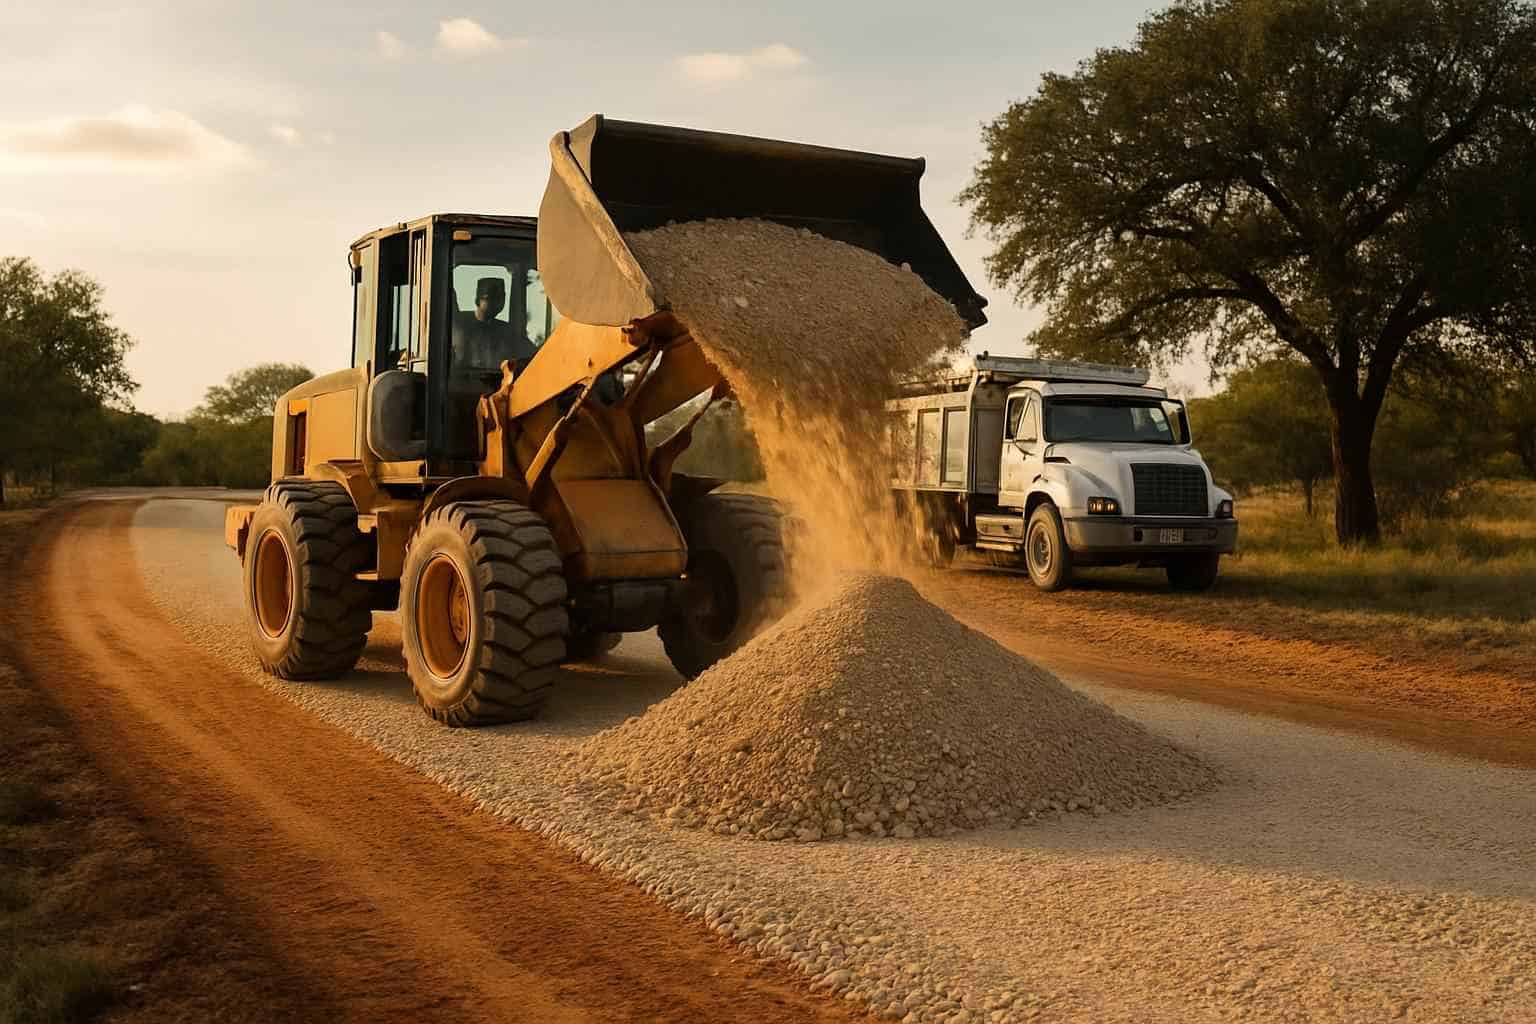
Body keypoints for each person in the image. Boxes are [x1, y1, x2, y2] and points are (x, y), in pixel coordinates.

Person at [452, 276, 537, 371]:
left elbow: (532, 355)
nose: (496, 303)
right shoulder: (459, 325)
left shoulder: (507, 332)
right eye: (490, 299)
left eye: (500, 299)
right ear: (477, 300)